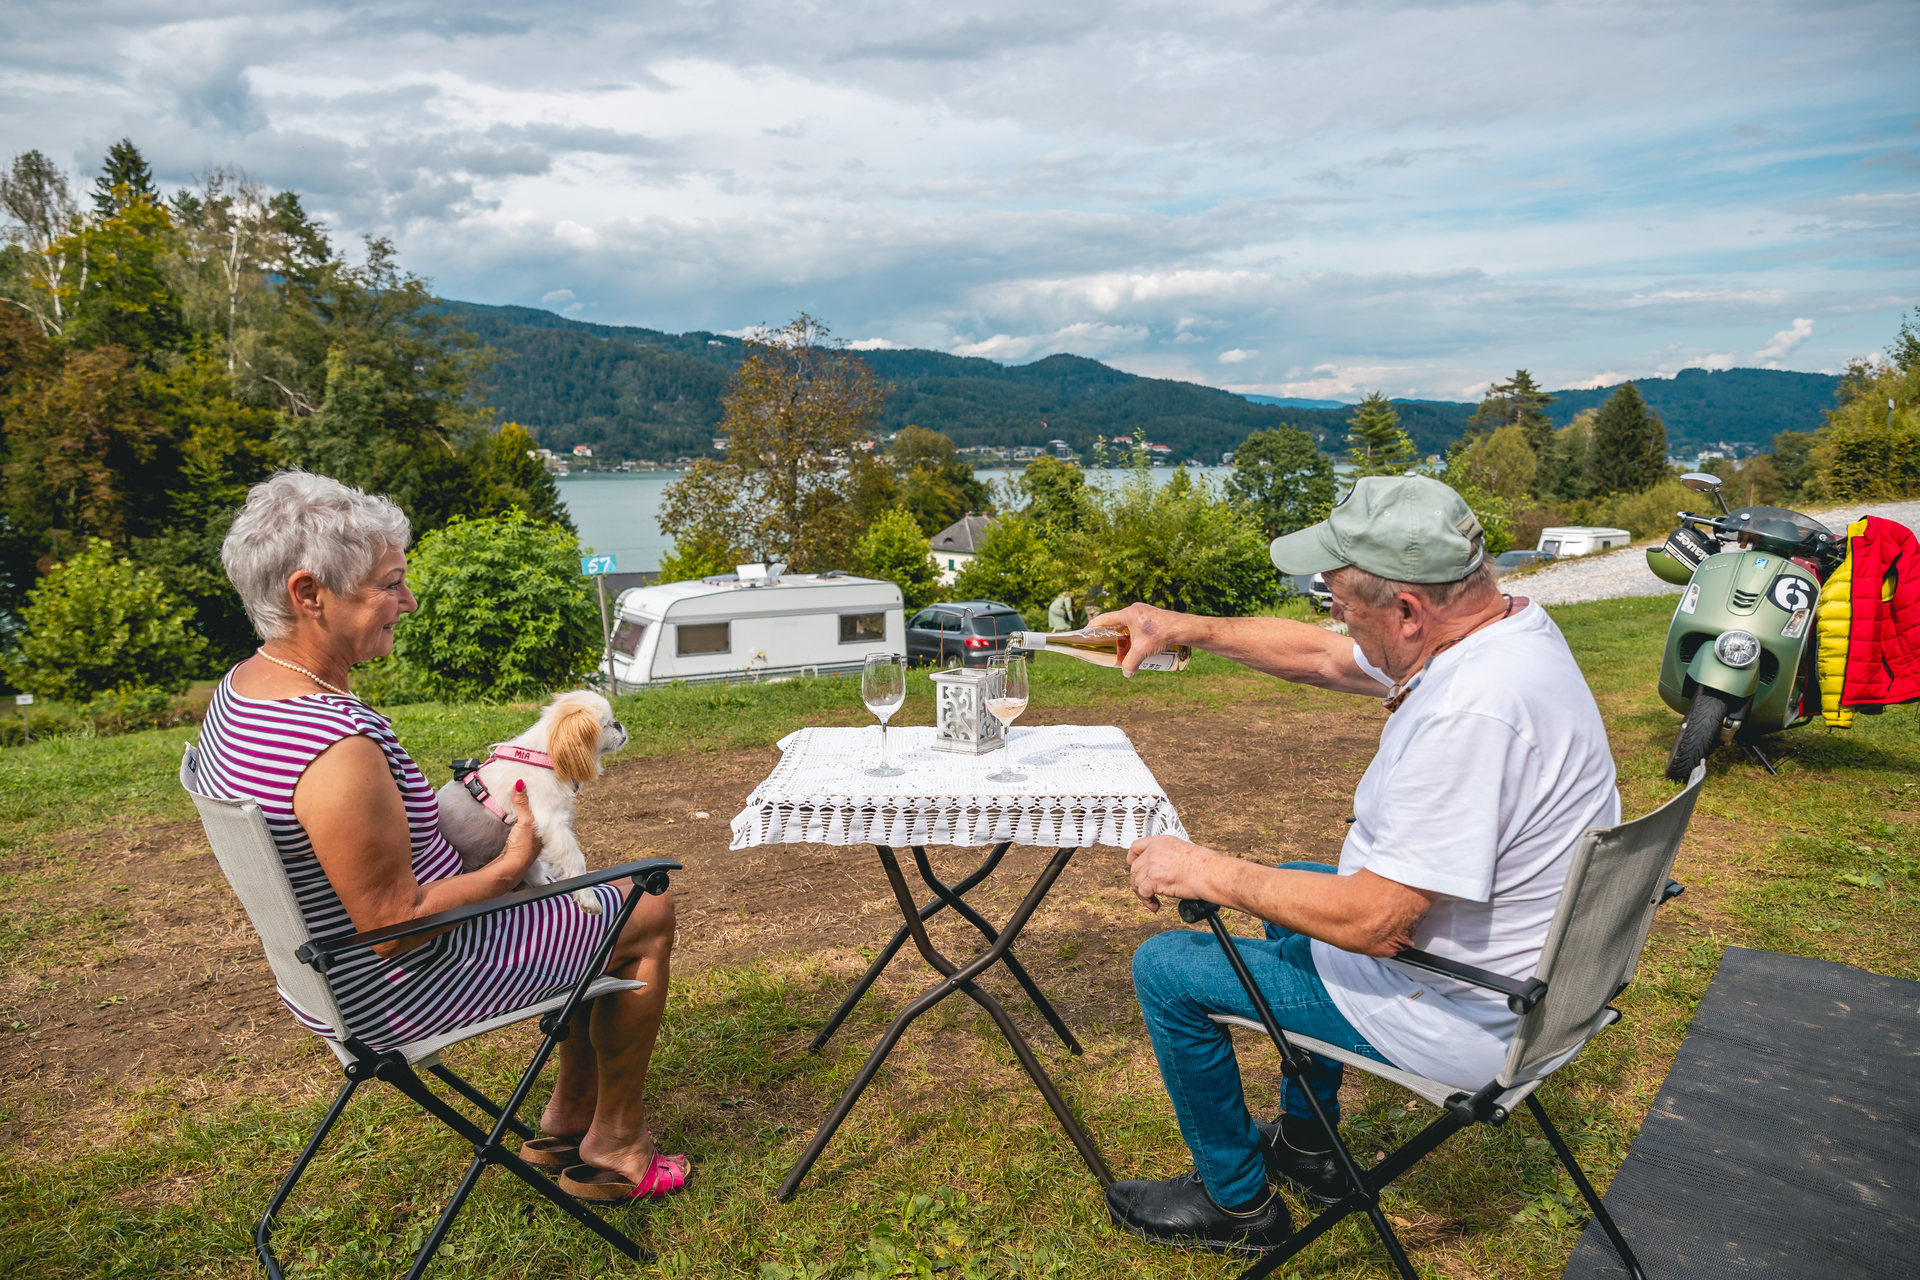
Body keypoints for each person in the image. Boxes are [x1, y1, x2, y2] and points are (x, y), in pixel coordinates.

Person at [1092, 475, 1618, 1253]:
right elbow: (1324, 658)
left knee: (1169, 967)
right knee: (1303, 875)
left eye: (1340, 597)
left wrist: (1200, 869)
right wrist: (1178, 627)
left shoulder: (1472, 711)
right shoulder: (1500, 632)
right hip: (1534, 983)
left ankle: (1236, 1206)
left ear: (1407, 608)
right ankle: (1311, 1150)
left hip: (1466, 1012)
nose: (1331, 612)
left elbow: (1373, 922)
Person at [196, 471, 686, 1201]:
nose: (409, 601)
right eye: (389, 584)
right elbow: (394, 929)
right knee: (642, 908)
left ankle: (568, 1114)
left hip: (326, 977)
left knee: (589, 904)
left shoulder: (243, 692)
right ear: (308, 594)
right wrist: (515, 858)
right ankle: (615, 1145)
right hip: (401, 986)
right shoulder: (334, 743)